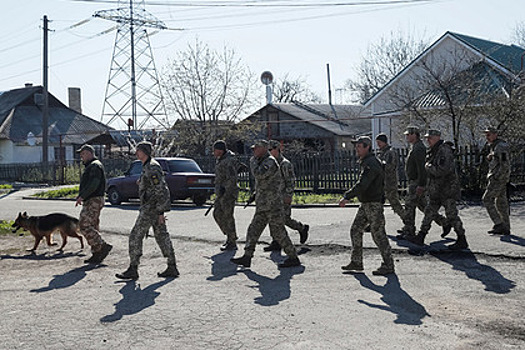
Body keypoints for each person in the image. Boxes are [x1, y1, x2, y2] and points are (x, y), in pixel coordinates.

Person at [230, 139, 301, 269]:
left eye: (256, 148)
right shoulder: (260, 161)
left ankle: (293, 257)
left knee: (279, 231)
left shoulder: (270, 162)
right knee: (253, 230)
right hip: (263, 204)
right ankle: (247, 257)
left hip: (273, 204)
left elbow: (259, 174)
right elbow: (262, 184)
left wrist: (252, 163)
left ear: (263, 149)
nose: (253, 151)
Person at [116, 141, 179, 280]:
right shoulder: (147, 166)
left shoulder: (152, 167)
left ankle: (133, 268)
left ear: (144, 152)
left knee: (135, 236)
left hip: (151, 208)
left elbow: (162, 190)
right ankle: (172, 266)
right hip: (152, 207)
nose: (136, 153)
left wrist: (161, 212)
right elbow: (152, 184)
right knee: (161, 236)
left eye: (138, 150)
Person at [339, 136, 395, 276]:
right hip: (366, 203)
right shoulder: (367, 161)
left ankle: (388, 265)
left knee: (378, 235)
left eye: (359, 146)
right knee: (356, 230)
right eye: (356, 146)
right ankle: (357, 262)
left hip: (373, 204)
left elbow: (363, 184)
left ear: (367, 147)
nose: (357, 149)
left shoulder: (371, 163)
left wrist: (347, 197)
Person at [408, 130, 468, 250]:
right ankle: (421, 236)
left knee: (451, 215)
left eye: (430, 138)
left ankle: (462, 239)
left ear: (437, 137)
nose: (427, 140)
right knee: (429, 212)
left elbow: (442, 170)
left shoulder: (444, 150)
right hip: (436, 190)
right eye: (427, 138)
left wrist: (428, 167)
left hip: (447, 190)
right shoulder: (434, 150)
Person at [398, 126, 450, 239]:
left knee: (409, 205)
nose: (406, 137)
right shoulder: (415, 147)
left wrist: (421, 185)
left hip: (417, 182)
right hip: (415, 181)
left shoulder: (419, 148)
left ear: (414, 135)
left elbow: (422, 168)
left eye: (408, 134)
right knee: (423, 206)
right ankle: (444, 222)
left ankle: (409, 230)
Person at [264, 140, 309, 252]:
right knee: (272, 218)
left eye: (271, 149)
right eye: (268, 150)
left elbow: (291, 181)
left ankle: (302, 228)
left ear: (277, 149)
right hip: (272, 196)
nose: (269, 152)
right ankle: (276, 241)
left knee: (284, 219)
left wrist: (288, 195)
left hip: (283, 195)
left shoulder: (285, 164)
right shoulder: (270, 163)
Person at [75, 144, 112, 264]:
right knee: (93, 225)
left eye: (83, 154)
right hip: (93, 199)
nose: (82, 157)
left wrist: (83, 195)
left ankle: (102, 245)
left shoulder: (94, 166)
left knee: (84, 225)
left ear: (90, 153)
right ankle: (97, 253)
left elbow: (94, 183)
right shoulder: (92, 166)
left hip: (93, 199)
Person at [212, 140, 242, 251]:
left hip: (228, 193)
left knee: (228, 216)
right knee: (217, 213)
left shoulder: (229, 160)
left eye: (215, 150)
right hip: (221, 192)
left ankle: (232, 241)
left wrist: (225, 190)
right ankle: (230, 235)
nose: (213, 153)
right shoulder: (221, 159)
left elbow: (232, 178)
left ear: (220, 150)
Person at [482, 127, 511, 235]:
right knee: (501, 202)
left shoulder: (500, 147)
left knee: (487, 199)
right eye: (486, 135)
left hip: (498, 179)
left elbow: (505, 165)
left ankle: (499, 224)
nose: (487, 137)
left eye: (488, 134)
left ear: (495, 134)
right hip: (499, 178)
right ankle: (506, 227)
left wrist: (497, 177)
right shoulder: (494, 146)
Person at [375, 133, 405, 222]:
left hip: (389, 183)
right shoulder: (381, 152)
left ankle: (408, 223)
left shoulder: (390, 152)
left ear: (384, 142)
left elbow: (389, 167)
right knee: (377, 204)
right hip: (381, 183)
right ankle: (374, 222)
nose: (378, 144)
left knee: (395, 203)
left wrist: (379, 165)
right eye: (377, 142)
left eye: (379, 142)